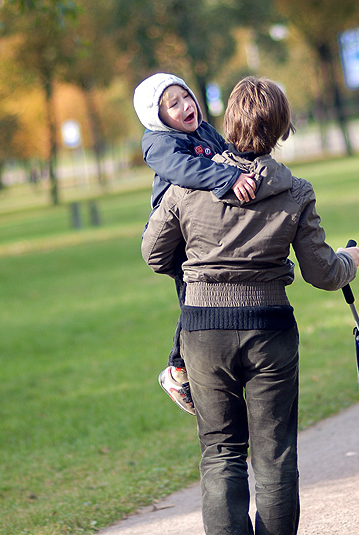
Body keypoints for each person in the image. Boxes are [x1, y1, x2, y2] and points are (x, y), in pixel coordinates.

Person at [141, 76, 359, 535]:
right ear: (281, 129)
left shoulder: (187, 184)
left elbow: (154, 254)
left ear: (229, 121)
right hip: (270, 330)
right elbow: (323, 274)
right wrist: (349, 261)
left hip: (202, 333)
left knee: (221, 452)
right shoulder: (296, 191)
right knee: (275, 452)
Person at [133, 72, 257, 416]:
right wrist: (229, 178)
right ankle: (177, 370)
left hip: (205, 233)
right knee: (195, 304)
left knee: (211, 301)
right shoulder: (160, 143)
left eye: (186, 96)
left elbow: (227, 154)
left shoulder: (203, 130)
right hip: (177, 238)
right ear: (156, 117)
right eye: (173, 104)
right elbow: (185, 169)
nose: (186, 106)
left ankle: (214, 365)